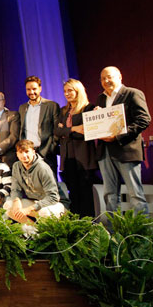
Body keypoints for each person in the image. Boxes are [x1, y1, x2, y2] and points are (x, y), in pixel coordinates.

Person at [95, 66, 151, 216]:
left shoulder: (132, 94)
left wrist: (118, 136)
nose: (106, 81)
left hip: (126, 150)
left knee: (135, 195)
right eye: (102, 78)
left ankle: (140, 234)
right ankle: (113, 233)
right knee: (110, 195)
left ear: (120, 77)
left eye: (109, 77)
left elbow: (144, 120)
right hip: (105, 152)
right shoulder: (101, 99)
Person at [55, 79, 98, 217]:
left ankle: (88, 226)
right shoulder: (63, 111)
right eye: (65, 91)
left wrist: (66, 130)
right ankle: (76, 227)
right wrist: (74, 128)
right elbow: (57, 132)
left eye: (70, 90)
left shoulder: (89, 108)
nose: (67, 94)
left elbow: (87, 132)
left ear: (78, 91)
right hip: (67, 158)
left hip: (84, 158)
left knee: (85, 195)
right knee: (73, 194)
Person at [4, 140, 65, 223]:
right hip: (35, 201)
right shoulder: (16, 166)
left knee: (44, 212)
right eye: (21, 152)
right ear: (17, 154)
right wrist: (16, 201)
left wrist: (29, 209)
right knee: (8, 206)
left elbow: (53, 197)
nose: (24, 155)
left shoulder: (43, 168)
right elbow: (15, 189)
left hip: (54, 204)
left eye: (26, 151)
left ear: (33, 152)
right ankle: (33, 231)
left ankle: (46, 233)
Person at [18, 76, 60, 179]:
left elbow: (57, 130)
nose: (31, 92)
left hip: (46, 152)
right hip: (28, 154)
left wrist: (51, 148)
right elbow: (22, 130)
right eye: (28, 89)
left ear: (40, 88)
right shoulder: (23, 108)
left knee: (51, 185)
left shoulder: (51, 105)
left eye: (34, 89)